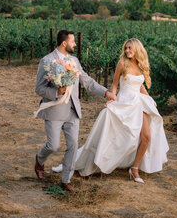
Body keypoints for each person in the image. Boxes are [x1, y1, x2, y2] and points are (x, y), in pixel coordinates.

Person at [55, 38, 169, 183]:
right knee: (118, 137)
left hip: (139, 103)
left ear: (137, 49)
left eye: (130, 48)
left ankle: (134, 168)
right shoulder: (122, 63)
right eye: (126, 48)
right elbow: (114, 85)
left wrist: (150, 99)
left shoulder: (140, 65)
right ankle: (97, 162)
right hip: (124, 103)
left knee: (146, 137)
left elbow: (140, 86)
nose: (127, 50)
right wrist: (112, 97)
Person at [35, 30, 116, 192]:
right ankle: (39, 159)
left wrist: (106, 93)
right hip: (55, 110)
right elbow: (39, 88)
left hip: (73, 111)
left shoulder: (74, 60)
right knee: (53, 145)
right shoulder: (47, 61)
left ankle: (66, 180)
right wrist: (57, 92)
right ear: (64, 43)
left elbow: (87, 81)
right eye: (72, 41)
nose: (75, 44)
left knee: (73, 145)